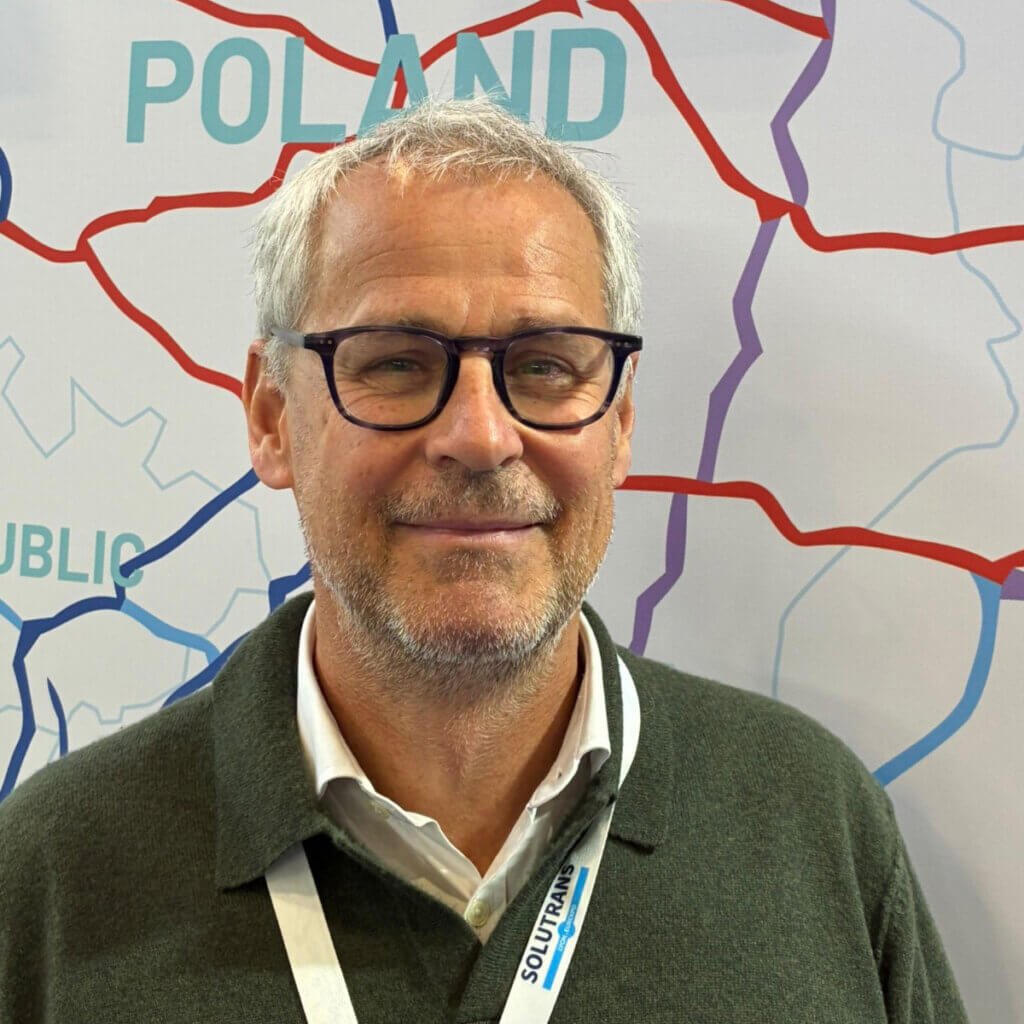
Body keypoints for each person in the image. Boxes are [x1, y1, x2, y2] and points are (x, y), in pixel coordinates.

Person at [0, 97, 967, 1024]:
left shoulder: (814, 824)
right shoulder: (52, 875)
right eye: (394, 361)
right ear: (271, 417)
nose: (480, 436)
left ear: (621, 422)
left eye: (545, 366)